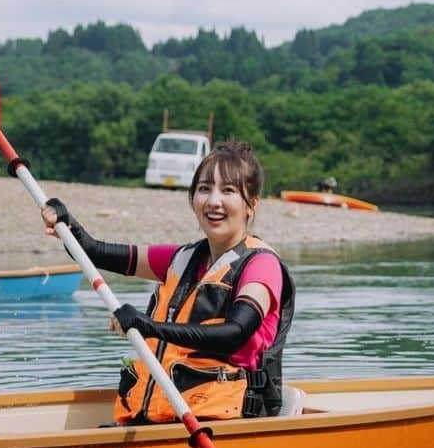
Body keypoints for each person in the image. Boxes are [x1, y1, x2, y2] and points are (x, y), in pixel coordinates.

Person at [41, 140, 294, 424]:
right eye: (204, 189)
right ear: (192, 198)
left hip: (224, 419)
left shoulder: (261, 265)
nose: (213, 201)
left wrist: (150, 327)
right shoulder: (182, 259)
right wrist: (66, 222)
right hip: (165, 416)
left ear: (251, 204)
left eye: (228, 191)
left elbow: (235, 332)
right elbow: (93, 251)